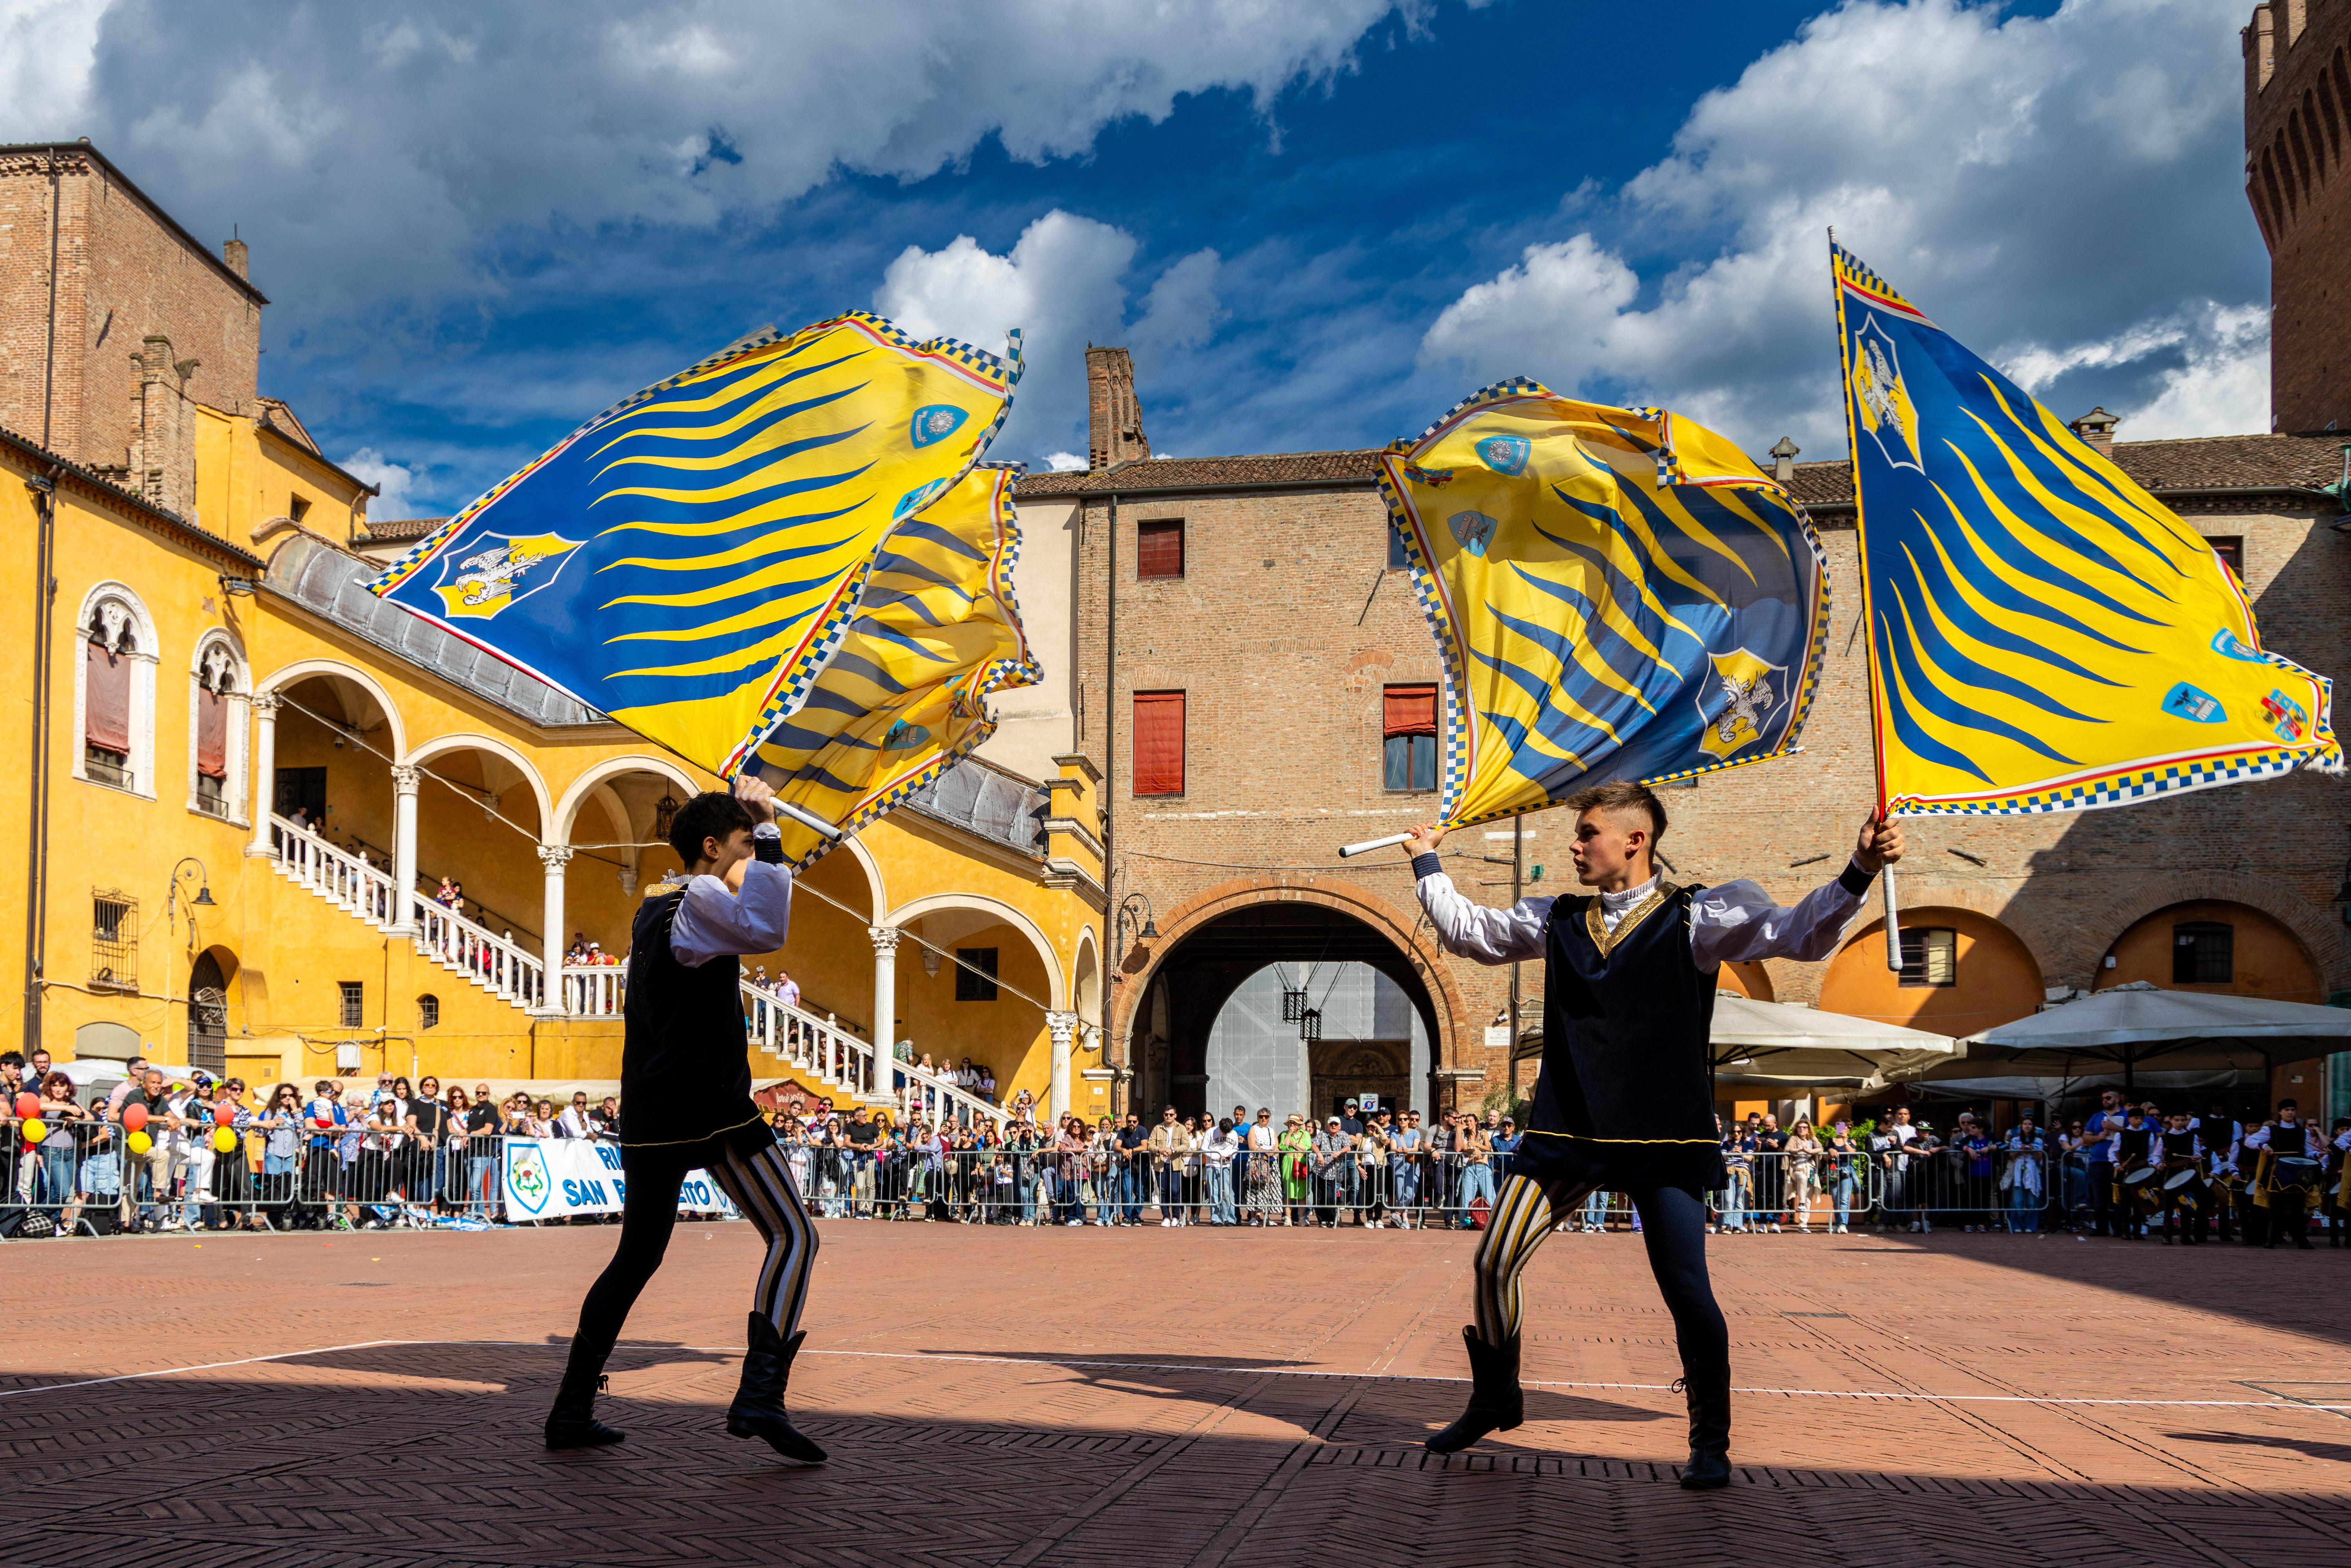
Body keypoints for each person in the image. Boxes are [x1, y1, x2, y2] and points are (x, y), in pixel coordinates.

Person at [1403, 785, 1903, 1489]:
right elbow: (1471, 933)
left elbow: (1798, 932)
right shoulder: (1558, 917)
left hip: (1663, 1130)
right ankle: (1496, 1395)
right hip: (1569, 1126)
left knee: (1686, 1287)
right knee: (1493, 1261)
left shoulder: (1700, 915)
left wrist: (1859, 868)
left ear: (1635, 840)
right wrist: (1429, 864)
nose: (1574, 845)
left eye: (1587, 833)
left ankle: (1710, 1439)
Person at [547, 779, 822, 1462]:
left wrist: (758, 829)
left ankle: (571, 1407)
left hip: (653, 1105)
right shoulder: (699, 897)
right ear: (712, 847)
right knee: (794, 1235)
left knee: (636, 1258)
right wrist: (768, 828)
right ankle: (761, 1393)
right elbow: (767, 927)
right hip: (709, 1104)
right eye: (739, 847)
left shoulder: (656, 908)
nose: (747, 858)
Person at [1782, 1118, 1822, 1234]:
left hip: (1810, 1169)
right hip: (1797, 1169)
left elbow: (1820, 1148)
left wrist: (1811, 1151)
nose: (1802, 1129)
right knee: (1802, 1178)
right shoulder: (1794, 1138)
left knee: (1809, 1198)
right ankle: (1801, 1204)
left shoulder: (1812, 1139)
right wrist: (1798, 1150)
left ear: (1809, 1130)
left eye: (1805, 1127)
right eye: (1800, 1127)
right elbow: (1787, 1149)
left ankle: (1803, 1225)